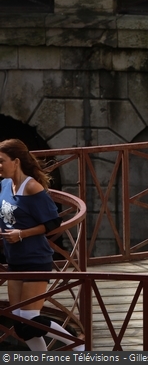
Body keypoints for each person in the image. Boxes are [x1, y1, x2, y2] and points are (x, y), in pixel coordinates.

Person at [0, 139, 84, 351]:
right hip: (14, 260)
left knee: (29, 317)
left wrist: (22, 234)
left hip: (35, 259)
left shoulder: (32, 187)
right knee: (20, 324)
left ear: (16, 161)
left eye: (1, 161)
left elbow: (53, 222)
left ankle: (76, 342)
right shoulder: (3, 185)